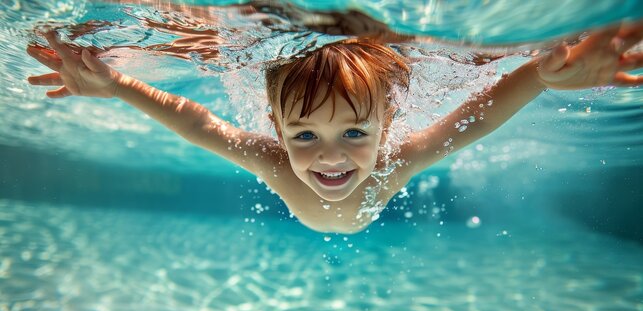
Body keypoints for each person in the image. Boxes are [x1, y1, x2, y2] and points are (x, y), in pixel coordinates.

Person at [26, 23, 643, 234]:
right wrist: (119, 85)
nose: (331, 158)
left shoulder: (395, 161)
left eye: (354, 133)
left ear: (389, 121)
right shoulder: (273, 161)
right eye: (303, 135)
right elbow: (198, 120)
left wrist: (542, 72)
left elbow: (471, 119)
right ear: (275, 126)